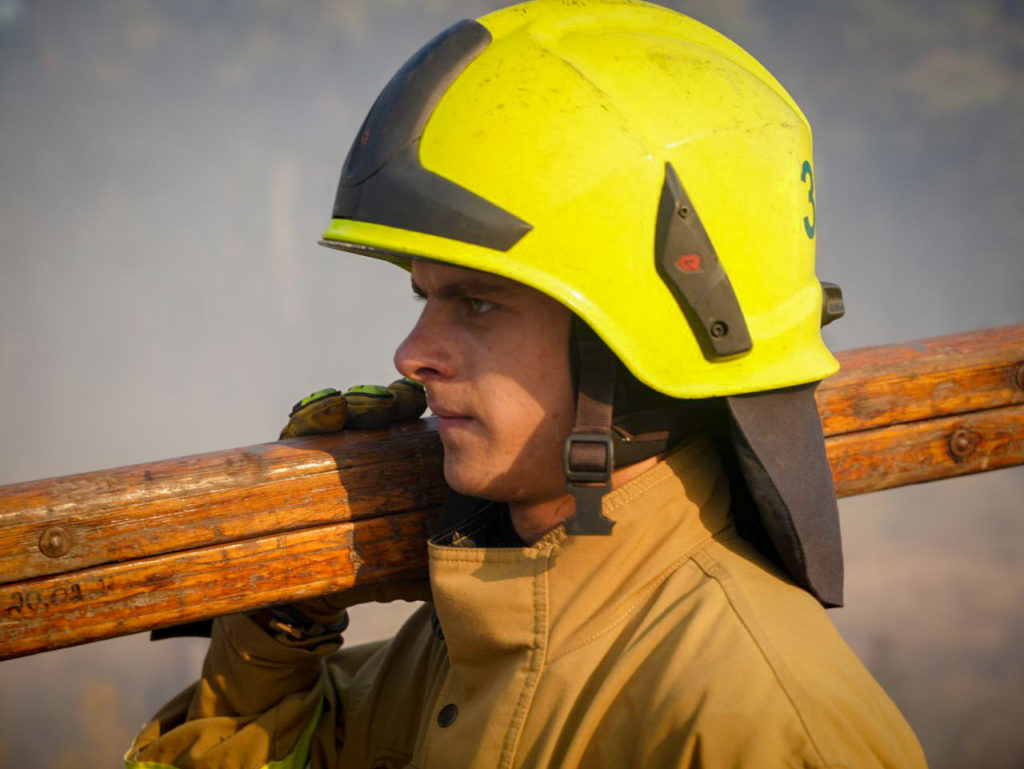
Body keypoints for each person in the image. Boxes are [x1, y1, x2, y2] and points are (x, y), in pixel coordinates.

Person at [126, 2, 927, 767]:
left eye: (478, 302)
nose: (411, 354)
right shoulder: (458, 644)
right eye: (424, 297)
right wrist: (282, 609)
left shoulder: (771, 730)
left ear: (639, 341)